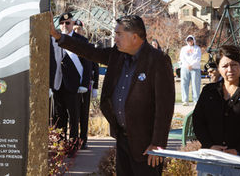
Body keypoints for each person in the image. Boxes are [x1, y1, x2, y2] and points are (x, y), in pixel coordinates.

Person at [50, 13, 175, 176]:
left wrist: (157, 144)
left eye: (118, 34)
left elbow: (164, 107)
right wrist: (58, 36)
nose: (114, 38)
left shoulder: (158, 60)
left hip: (147, 146)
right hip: (123, 139)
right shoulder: (117, 55)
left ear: (135, 37)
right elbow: (89, 51)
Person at [193, 45, 240, 159]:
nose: (230, 70)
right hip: (212, 156)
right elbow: (198, 121)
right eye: (225, 66)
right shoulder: (209, 91)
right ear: (218, 68)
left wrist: (237, 150)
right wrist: (210, 146)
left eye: (234, 65)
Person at [49, 12, 90, 141]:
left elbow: (87, 64)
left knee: (74, 117)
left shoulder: (81, 40)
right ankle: (61, 145)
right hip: (58, 83)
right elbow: (51, 62)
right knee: (59, 117)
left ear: (72, 24)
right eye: (62, 23)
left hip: (73, 85)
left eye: (67, 23)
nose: (64, 25)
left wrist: (84, 84)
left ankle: (73, 145)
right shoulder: (53, 39)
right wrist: (49, 85)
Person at [73, 19, 100, 149]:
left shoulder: (87, 44)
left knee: (84, 113)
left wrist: (95, 87)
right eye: (75, 29)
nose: (77, 31)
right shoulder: (69, 43)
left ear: (83, 30)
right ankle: (72, 140)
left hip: (85, 84)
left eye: (79, 29)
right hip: (71, 84)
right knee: (73, 113)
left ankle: (83, 140)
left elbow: (95, 66)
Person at [179, 35, 201, 106]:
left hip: (195, 68)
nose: (190, 41)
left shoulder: (197, 48)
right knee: (184, 84)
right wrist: (187, 65)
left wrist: (192, 65)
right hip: (185, 68)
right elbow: (182, 58)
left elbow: (198, 58)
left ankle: (196, 100)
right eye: (188, 40)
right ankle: (185, 100)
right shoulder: (183, 49)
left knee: (195, 84)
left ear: (193, 40)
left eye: (191, 40)